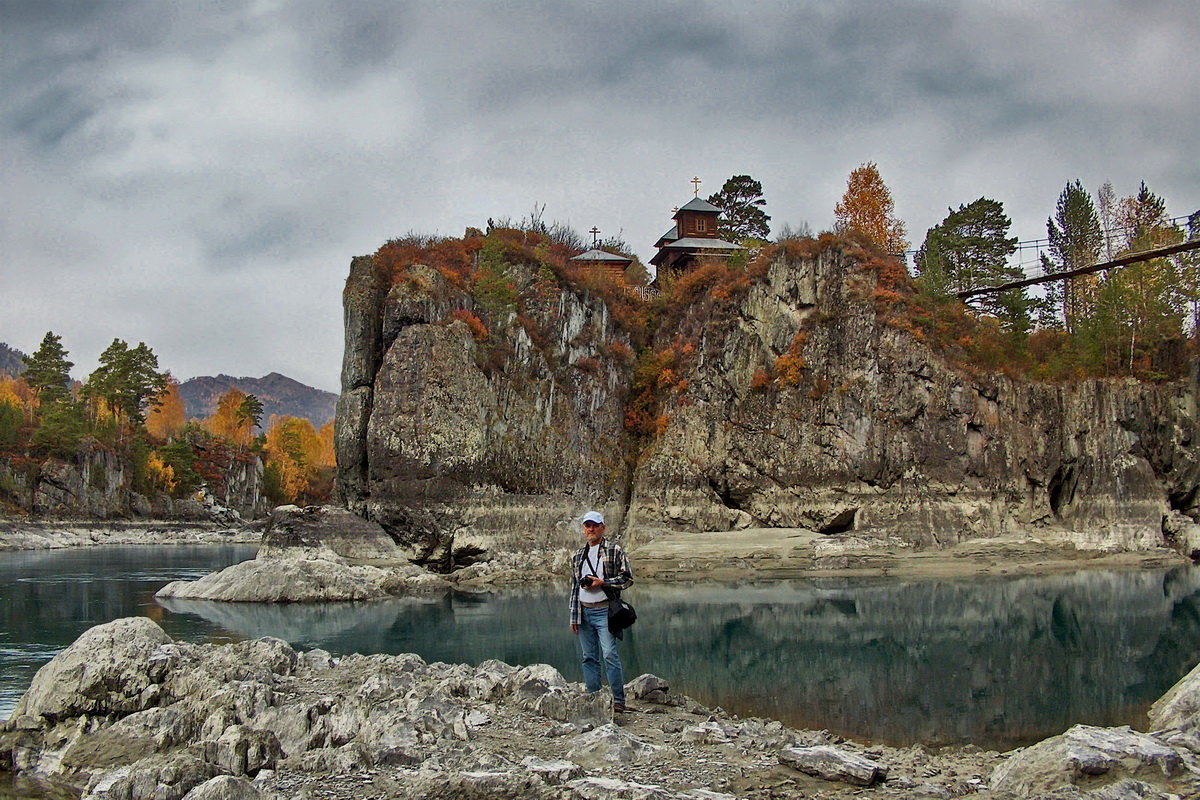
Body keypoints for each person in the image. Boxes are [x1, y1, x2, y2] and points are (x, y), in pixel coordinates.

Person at [568, 510, 633, 712]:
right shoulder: (578, 555)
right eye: (588, 526)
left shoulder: (615, 551)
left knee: (610, 655)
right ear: (584, 529)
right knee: (589, 657)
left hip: (605, 611)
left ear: (603, 528)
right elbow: (574, 587)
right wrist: (573, 616)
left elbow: (627, 578)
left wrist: (604, 582)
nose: (591, 529)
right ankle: (594, 698)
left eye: (595, 525)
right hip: (584, 613)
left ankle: (619, 701)